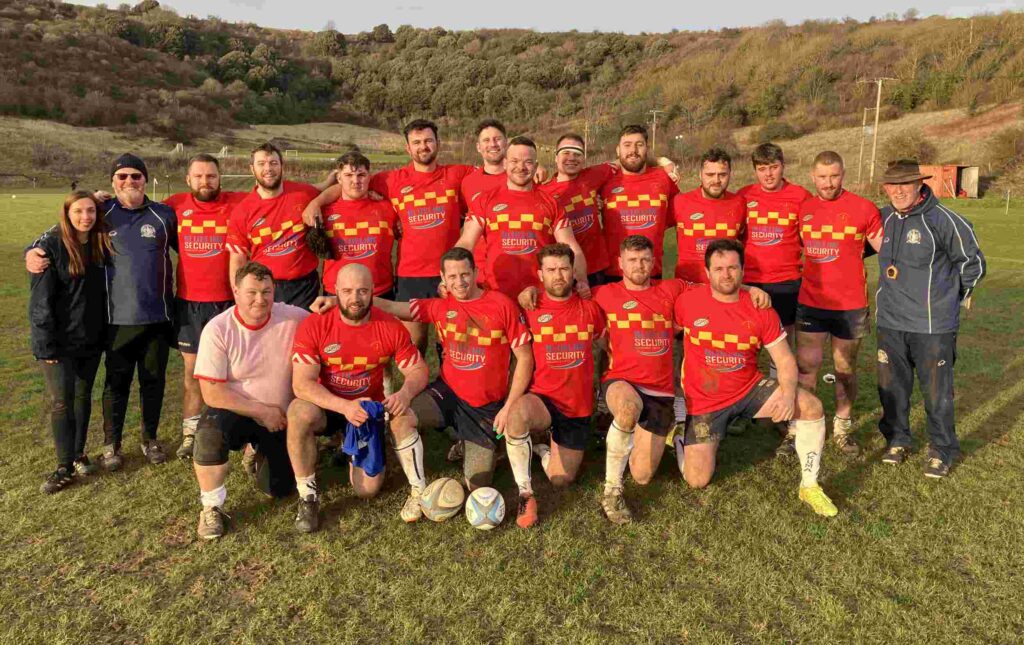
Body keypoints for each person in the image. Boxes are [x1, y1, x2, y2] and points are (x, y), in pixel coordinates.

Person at [27, 153, 178, 468]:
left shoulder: (164, 214)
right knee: (116, 385)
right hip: (115, 320)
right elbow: (66, 225)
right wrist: (33, 249)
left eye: (135, 176)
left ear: (145, 180)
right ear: (112, 181)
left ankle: (150, 439)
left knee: (153, 382)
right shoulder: (102, 211)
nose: (129, 182)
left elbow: (190, 248)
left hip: (158, 318)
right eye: (122, 176)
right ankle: (111, 445)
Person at [370, 248, 538, 528]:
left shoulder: (501, 305)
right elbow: (394, 308)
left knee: (476, 483)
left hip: (485, 406)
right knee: (401, 417)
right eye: (452, 276)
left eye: (465, 274)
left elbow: (525, 357)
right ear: (442, 278)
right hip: (446, 394)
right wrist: (348, 298)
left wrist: (509, 407)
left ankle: (476, 441)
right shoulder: (440, 306)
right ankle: (417, 489)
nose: (459, 282)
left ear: (475, 273)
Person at [674, 239, 837, 517]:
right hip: (705, 401)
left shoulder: (760, 309)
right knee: (697, 480)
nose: (726, 275)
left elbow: (785, 360)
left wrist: (786, 395)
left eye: (733, 268)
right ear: (707, 272)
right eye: (719, 269)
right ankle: (681, 434)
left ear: (742, 270)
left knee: (811, 406)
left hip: (749, 390)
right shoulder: (687, 300)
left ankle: (809, 485)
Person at [303, 119, 474, 356]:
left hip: (450, 271)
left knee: (455, 339)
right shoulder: (390, 180)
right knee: (415, 342)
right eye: (416, 142)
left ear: (437, 143)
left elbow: (493, 175)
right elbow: (350, 185)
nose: (423, 146)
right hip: (411, 275)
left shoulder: (457, 174)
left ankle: (453, 384)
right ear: (408, 148)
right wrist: (317, 201)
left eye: (428, 141)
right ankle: (416, 385)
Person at [287, 264, 429, 532]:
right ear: (335, 292)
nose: (356, 298)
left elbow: (418, 369)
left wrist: (405, 392)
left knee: (367, 490)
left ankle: (353, 445)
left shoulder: (389, 326)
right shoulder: (315, 325)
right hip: (328, 405)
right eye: (348, 291)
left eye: (363, 291)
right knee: (298, 411)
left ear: (373, 292)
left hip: (365, 409)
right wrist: (343, 406)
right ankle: (307, 495)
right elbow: (302, 384)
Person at [875, 160, 985, 478]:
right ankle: (897, 440)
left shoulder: (944, 220)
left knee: (937, 392)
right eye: (892, 184)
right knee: (891, 388)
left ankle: (942, 449)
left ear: (920, 184)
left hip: (932, 326)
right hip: (891, 322)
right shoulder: (882, 218)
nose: (898, 190)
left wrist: (957, 297)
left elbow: (972, 262)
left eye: (905, 183)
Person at [191, 262, 310, 539]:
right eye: (252, 292)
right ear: (236, 291)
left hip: (279, 418)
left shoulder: (293, 317)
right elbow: (211, 393)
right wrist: (260, 410)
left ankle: (257, 454)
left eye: (266, 291)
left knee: (279, 489)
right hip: (237, 410)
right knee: (209, 435)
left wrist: (331, 304)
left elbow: (329, 322)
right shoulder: (218, 329)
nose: (260, 299)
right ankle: (211, 508)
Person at [795, 151, 882, 456]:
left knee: (845, 369)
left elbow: (888, 249)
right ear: (812, 176)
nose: (828, 183)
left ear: (843, 175)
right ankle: (803, 427)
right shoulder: (803, 209)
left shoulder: (864, 208)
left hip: (850, 306)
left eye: (834, 176)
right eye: (822, 177)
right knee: (806, 369)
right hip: (811, 303)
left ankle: (842, 427)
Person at [165, 154, 249, 461]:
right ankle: (190, 433)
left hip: (228, 302)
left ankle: (232, 428)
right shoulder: (173, 206)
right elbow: (131, 210)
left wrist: (325, 187)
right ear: (188, 180)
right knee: (194, 373)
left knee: (235, 371)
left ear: (220, 178)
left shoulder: (238, 202)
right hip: (190, 304)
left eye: (211, 176)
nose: (205, 182)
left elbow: (281, 195)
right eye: (199, 176)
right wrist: (99, 198)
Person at [29, 191, 112, 493]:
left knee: (82, 396)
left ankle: (78, 453)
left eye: (90, 211)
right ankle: (63, 465)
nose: (85, 217)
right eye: (78, 211)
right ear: (66, 214)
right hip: (57, 343)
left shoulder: (100, 245)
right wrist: (45, 344)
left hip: (90, 339)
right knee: (62, 401)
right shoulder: (50, 247)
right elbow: (40, 302)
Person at [507, 244, 606, 488]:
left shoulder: (591, 309)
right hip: (542, 398)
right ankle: (524, 491)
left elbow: (609, 347)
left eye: (564, 269)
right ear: (540, 275)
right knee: (518, 414)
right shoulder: (529, 308)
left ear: (574, 271)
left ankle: (542, 449)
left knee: (560, 480)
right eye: (551, 270)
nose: (558, 276)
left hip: (576, 407)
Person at [737, 142, 812, 456]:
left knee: (783, 349)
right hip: (751, 284)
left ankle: (784, 407)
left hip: (787, 284)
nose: (768, 174)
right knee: (745, 347)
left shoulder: (800, 197)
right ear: (755, 170)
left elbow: (811, 238)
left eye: (774, 167)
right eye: (762, 169)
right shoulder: (744, 196)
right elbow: (736, 234)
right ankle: (744, 407)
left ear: (783, 166)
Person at [455, 136, 588, 301]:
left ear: (536, 166)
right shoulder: (485, 200)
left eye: (528, 162)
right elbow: (466, 243)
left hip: (539, 295)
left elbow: (571, 247)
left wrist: (582, 281)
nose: (521, 167)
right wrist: (450, 274)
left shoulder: (551, 202)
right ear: (505, 163)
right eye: (514, 161)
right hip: (495, 294)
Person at [225, 143, 324, 310]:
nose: (268, 168)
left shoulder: (303, 194)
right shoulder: (243, 211)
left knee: (302, 335)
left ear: (282, 166)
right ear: (252, 168)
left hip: (304, 286)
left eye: (273, 163)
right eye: (261, 163)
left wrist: (317, 202)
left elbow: (336, 189)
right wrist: (238, 294)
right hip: (264, 287)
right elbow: (238, 259)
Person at [600, 124, 680, 282]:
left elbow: (676, 216)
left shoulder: (663, 178)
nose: (633, 151)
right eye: (627, 145)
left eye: (639, 145)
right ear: (618, 150)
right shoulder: (604, 180)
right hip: (613, 273)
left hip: (652, 271)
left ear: (647, 148)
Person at [537, 133, 619, 286]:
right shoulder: (542, 191)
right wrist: (535, 167)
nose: (572, 158)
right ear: (556, 157)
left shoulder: (593, 175)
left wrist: (663, 161)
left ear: (584, 159)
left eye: (577, 154)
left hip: (597, 268)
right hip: (563, 272)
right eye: (566, 153)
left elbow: (626, 160)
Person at [316, 152, 399, 300]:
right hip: (337, 293)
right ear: (339, 178)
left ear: (369, 177)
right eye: (348, 175)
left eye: (361, 175)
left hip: (380, 293)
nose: (355, 180)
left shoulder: (389, 208)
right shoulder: (323, 211)